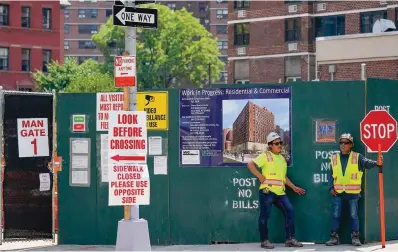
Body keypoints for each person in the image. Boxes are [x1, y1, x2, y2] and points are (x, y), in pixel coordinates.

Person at [247, 132, 305, 249]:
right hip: (267, 191)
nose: (279, 145)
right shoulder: (265, 156)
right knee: (265, 216)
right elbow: (250, 165)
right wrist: (259, 175)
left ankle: (290, 239)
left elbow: (284, 177)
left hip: (280, 193)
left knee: (290, 210)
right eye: (276, 143)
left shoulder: (282, 159)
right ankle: (264, 240)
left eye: (280, 143)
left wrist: (294, 187)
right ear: (270, 145)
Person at [325, 133, 383, 246]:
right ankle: (334, 238)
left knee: (353, 215)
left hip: (353, 194)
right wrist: (331, 187)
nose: (343, 145)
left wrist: (377, 163)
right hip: (338, 193)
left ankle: (355, 237)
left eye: (346, 143)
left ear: (351, 145)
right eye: (341, 142)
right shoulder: (334, 158)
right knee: (336, 215)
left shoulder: (357, 157)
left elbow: (366, 163)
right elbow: (330, 174)